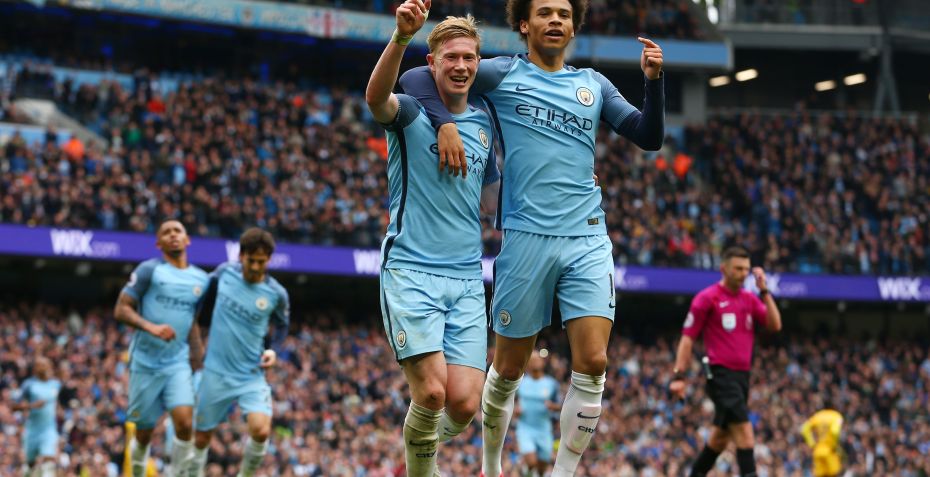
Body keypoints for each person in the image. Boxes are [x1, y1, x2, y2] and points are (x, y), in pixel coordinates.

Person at [399, 1, 664, 475]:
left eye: (564, 13)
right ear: (525, 24)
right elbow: (416, 78)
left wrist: (653, 82)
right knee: (507, 370)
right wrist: (445, 123)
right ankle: (491, 466)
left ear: (574, 25)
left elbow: (647, 135)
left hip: (586, 235)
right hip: (525, 236)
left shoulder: (594, 85)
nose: (555, 20)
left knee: (594, 362)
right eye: (544, 12)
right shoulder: (502, 73)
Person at [365, 1, 502, 475]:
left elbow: (493, 198)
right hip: (411, 269)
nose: (461, 66)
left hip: (466, 279)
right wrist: (401, 37)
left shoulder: (483, 122)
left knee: (463, 405)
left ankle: (414, 449)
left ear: (478, 63)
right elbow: (376, 98)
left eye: (469, 58)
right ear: (432, 63)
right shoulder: (409, 114)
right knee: (431, 393)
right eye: (451, 58)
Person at [669, 246, 782, 477]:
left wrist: (764, 290)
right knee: (745, 434)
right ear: (724, 269)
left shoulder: (749, 299)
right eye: (738, 268)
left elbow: (775, 325)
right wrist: (679, 376)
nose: (743, 274)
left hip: (742, 378)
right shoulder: (707, 298)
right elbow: (687, 339)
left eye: (746, 269)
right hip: (720, 375)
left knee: (719, 439)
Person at [189, 228, 290, 477]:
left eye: (261, 261)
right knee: (201, 437)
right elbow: (199, 304)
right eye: (251, 260)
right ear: (241, 256)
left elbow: (282, 326)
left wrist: (273, 350)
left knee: (261, 430)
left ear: (269, 260)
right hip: (215, 372)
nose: (255, 267)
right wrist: (196, 342)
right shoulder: (223, 274)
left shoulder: (276, 294)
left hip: (250, 374)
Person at [114, 219, 209, 477]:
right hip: (145, 362)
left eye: (178, 231)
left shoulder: (201, 279)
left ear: (187, 239)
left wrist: (198, 355)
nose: (173, 235)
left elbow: (191, 320)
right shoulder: (149, 270)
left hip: (177, 362)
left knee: (185, 423)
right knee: (144, 432)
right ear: (159, 243)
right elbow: (121, 309)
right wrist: (150, 327)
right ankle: (136, 471)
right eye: (167, 232)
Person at [13, 356, 61, 477]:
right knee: (30, 464)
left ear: (50, 367)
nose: (43, 368)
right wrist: (32, 405)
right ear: (35, 368)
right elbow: (14, 406)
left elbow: (58, 402)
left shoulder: (56, 384)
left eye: (45, 365)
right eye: (40, 365)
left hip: (49, 429)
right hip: (32, 430)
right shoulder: (29, 384)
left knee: (48, 462)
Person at [515, 351, 560, 477]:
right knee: (531, 462)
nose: (535, 362)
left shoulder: (551, 384)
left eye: (537, 359)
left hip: (544, 429)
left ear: (543, 363)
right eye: (532, 359)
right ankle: (524, 470)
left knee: (541, 469)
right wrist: (516, 410)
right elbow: (512, 402)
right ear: (528, 363)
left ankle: (526, 472)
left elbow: (560, 406)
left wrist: (552, 406)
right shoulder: (521, 382)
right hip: (525, 428)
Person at [800, 407, 845, 477]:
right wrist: (834, 445)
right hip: (829, 451)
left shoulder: (817, 416)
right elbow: (835, 431)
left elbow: (805, 428)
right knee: (834, 474)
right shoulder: (836, 416)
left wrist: (812, 443)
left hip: (818, 451)